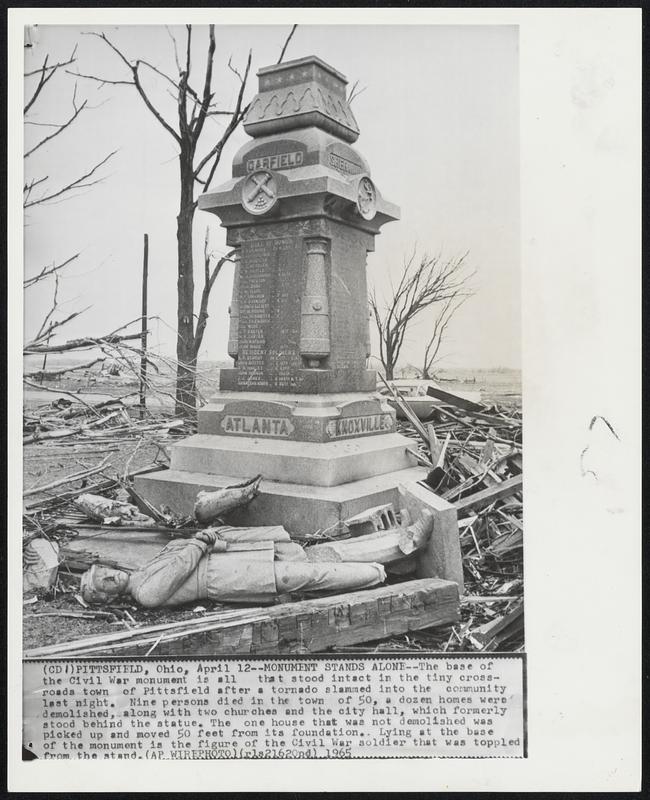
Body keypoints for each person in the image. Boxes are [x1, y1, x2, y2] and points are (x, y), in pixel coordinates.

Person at [80, 526, 387, 608]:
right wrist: (199, 542)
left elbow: (184, 552)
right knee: (305, 577)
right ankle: (377, 574)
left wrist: (212, 541)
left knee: (305, 558)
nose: (109, 575)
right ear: (109, 597)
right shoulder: (145, 593)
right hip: (224, 579)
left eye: (103, 571)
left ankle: (387, 557)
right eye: (104, 582)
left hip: (229, 561)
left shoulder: (144, 567)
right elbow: (183, 566)